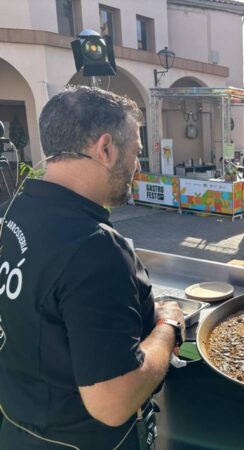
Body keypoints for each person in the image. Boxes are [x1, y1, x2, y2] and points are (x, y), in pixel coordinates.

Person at [0, 86, 184, 449]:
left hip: (19, 430)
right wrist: (168, 326)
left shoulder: (19, 210)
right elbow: (112, 403)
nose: (136, 166)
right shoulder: (95, 248)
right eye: (136, 152)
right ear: (106, 148)